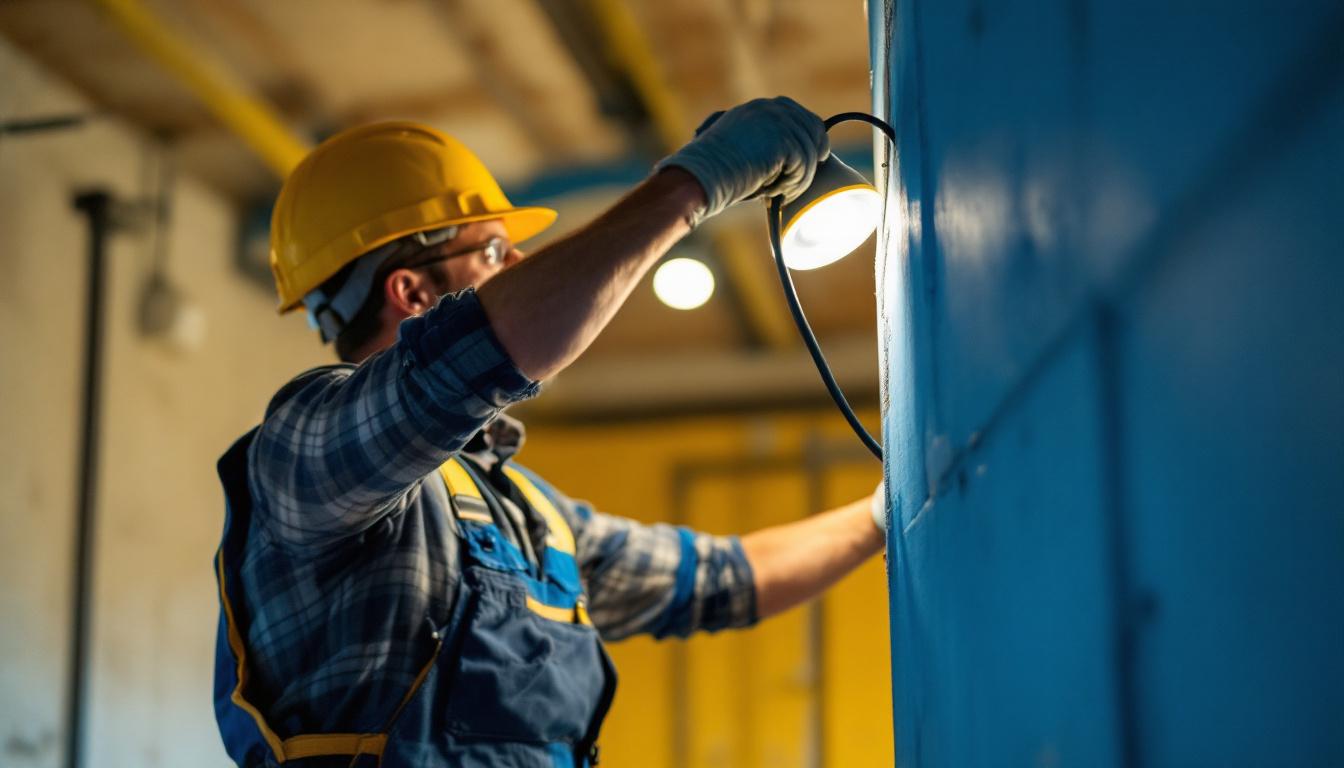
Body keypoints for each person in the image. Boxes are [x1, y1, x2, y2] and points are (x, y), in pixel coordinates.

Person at [213, 97, 886, 768]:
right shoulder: (301, 454)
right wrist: (695, 184)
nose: (522, 261)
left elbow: (718, 579)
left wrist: (882, 515)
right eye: (497, 249)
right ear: (414, 294)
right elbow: (474, 353)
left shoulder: (532, 518)